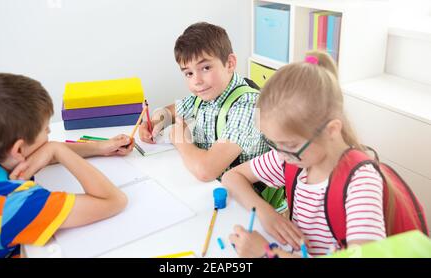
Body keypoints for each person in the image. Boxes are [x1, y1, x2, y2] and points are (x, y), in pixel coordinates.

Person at [223, 51, 389, 257]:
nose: (280, 154)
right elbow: (231, 177)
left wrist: (268, 253)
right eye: (274, 143)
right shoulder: (293, 158)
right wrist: (266, 213)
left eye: (289, 144)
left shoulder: (361, 183)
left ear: (331, 130)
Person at [0, 72, 133, 258]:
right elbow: (113, 201)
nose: (50, 133)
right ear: (18, 150)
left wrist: (100, 147)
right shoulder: (14, 201)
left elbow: (33, 155)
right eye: (46, 130)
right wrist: (56, 150)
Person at [139, 22, 269, 182]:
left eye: (206, 68)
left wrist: (181, 140)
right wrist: (155, 122)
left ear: (230, 63)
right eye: (189, 73)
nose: (197, 81)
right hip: (216, 186)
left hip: (247, 199)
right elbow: (167, 111)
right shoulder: (205, 95)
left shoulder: (248, 106)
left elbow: (206, 171)